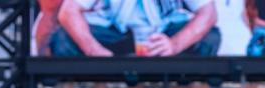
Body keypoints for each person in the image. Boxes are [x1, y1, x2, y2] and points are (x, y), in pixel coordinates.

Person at [46, 0, 219, 56]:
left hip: (163, 36)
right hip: (115, 37)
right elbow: (68, 12)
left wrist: (175, 44)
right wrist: (93, 49)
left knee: (210, 37)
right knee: (61, 39)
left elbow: (208, 13)